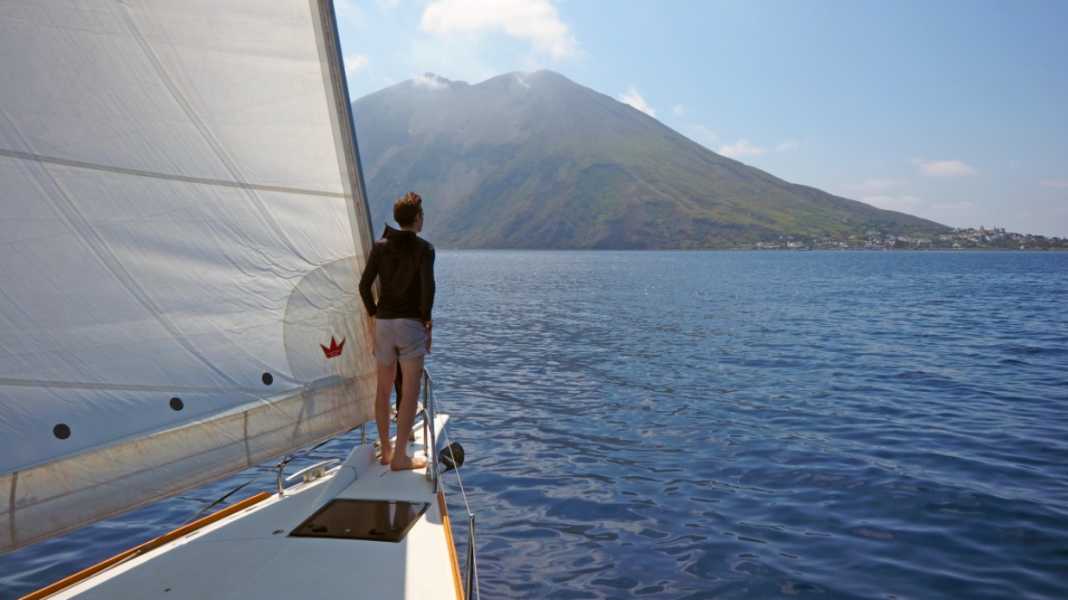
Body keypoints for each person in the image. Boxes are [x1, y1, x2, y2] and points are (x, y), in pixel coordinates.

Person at [358, 192, 435, 471]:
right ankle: (401, 457)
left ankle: (387, 452)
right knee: (410, 392)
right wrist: (427, 322)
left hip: (384, 324)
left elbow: (364, 286)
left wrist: (373, 314)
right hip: (410, 324)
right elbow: (428, 291)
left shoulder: (380, 247)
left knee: (383, 390)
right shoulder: (425, 250)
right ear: (416, 219)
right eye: (422, 215)